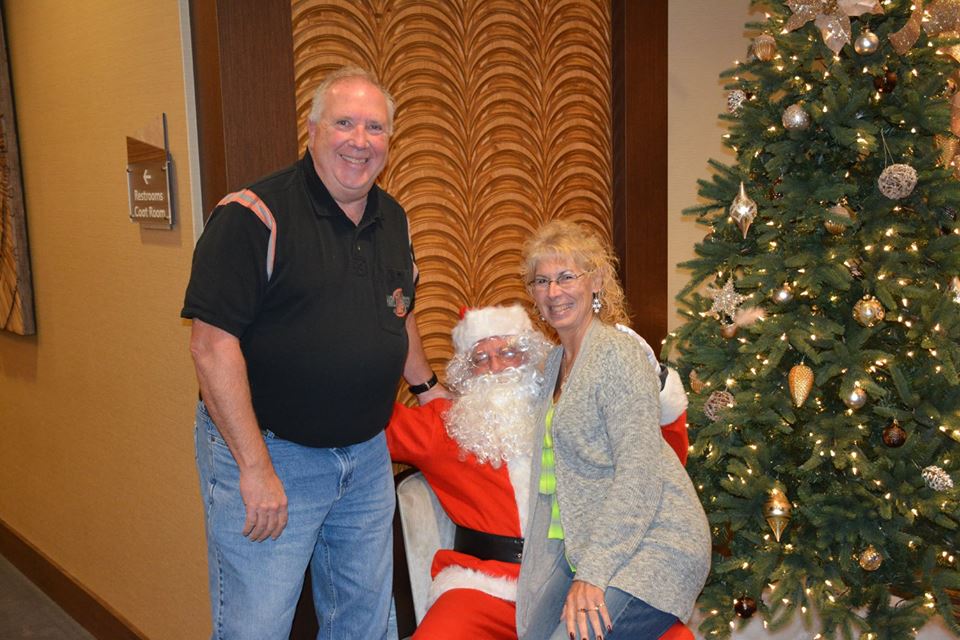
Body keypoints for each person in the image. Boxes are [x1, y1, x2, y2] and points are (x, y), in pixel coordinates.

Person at [181, 65, 445, 640]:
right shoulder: (253, 216)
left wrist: (428, 389)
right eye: (344, 123)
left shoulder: (393, 218)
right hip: (274, 453)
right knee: (257, 627)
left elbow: (398, 310)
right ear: (313, 129)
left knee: (364, 622)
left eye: (375, 127)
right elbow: (211, 347)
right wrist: (255, 468)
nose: (360, 141)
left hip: (366, 455)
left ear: (389, 141)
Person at [387, 305, 693, 640]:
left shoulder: (576, 408)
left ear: (532, 356)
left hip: (573, 578)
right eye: (480, 359)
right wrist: (415, 372)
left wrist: (658, 387)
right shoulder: (446, 424)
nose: (496, 367)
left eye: (508, 352)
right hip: (483, 589)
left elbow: (659, 460)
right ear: (466, 373)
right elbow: (369, 426)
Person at [515, 220, 712, 640]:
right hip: (594, 546)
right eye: (542, 281)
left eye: (566, 277)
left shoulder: (618, 354)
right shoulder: (554, 364)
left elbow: (639, 475)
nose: (554, 292)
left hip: (657, 545)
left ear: (596, 281)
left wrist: (593, 574)